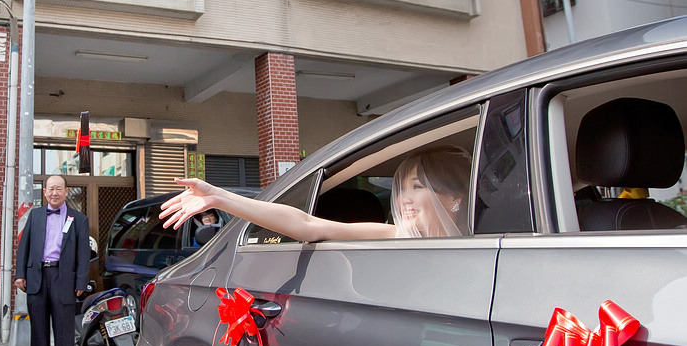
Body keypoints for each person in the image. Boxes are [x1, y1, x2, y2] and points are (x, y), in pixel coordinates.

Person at [161, 146, 471, 241]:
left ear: (454, 196)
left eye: (417, 187)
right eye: (401, 188)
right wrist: (220, 197)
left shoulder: (486, 242)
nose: (404, 199)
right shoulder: (394, 235)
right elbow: (307, 225)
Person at [14, 175, 90, 346]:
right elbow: (24, 246)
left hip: (63, 278)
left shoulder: (79, 219)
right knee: (38, 330)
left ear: (66, 192)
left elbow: (83, 254)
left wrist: (81, 281)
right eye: (51, 189)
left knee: (64, 330)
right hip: (37, 277)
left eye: (59, 189)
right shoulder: (35, 215)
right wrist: (20, 274)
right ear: (45, 192)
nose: (54, 193)